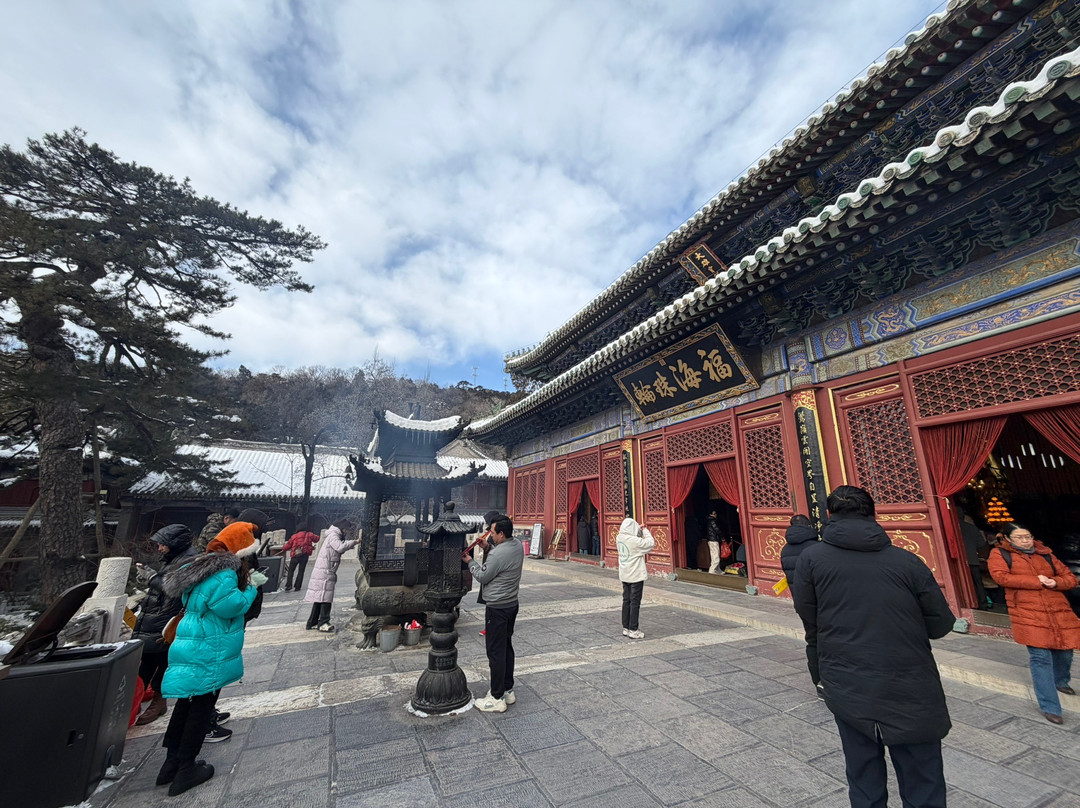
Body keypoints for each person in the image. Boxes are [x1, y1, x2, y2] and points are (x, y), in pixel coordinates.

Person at [793, 485, 955, 808]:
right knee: (924, 783)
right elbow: (941, 624)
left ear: (830, 515)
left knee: (864, 780)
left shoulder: (811, 560)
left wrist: (819, 671)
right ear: (873, 513)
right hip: (911, 687)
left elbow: (810, 618)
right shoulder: (907, 561)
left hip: (847, 684)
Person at [157, 519, 264, 796]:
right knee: (201, 706)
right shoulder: (224, 573)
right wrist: (251, 587)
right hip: (208, 643)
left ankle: (170, 763)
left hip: (191, 638)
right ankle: (186, 768)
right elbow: (231, 606)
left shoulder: (201, 567)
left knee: (186, 702)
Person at [988, 523, 1080, 724]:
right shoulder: (1000, 553)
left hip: (1057, 609)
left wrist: (1056, 582)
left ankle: (1060, 680)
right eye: (1019, 537)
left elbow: (1070, 578)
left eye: (1028, 536)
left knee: (1065, 650)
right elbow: (1001, 577)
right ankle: (1050, 707)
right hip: (1027, 611)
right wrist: (1036, 581)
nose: (1025, 541)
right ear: (1008, 538)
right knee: (1040, 657)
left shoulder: (1045, 553)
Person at [132, 524, 198, 725]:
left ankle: (159, 701)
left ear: (174, 543)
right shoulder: (173, 558)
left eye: (162, 544)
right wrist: (149, 577)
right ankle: (134, 701)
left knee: (162, 660)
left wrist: (152, 578)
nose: (160, 548)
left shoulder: (188, 559)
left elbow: (174, 587)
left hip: (167, 618)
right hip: (157, 615)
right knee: (147, 661)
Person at [466, 513, 524, 712]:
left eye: (492, 532)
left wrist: (470, 561)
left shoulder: (498, 554)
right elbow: (502, 560)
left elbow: (483, 576)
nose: (489, 534)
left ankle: (496, 697)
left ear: (501, 534)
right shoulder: (517, 545)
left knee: (495, 652)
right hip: (511, 604)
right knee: (506, 647)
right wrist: (488, 548)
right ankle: (507, 689)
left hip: (497, 607)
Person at [780, 514, 821, 696]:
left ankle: (818, 682)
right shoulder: (816, 548)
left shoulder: (785, 550)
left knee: (812, 639)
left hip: (801, 601)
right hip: (821, 600)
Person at [303, 518, 358, 632]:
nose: (347, 532)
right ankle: (323, 622)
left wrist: (349, 545)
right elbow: (340, 547)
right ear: (342, 528)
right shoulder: (333, 535)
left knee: (320, 598)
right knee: (325, 598)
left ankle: (312, 622)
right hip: (325, 570)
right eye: (347, 529)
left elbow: (337, 549)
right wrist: (355, 542)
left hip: (325, 569)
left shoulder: (333, 535)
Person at [616, 517, 655, 640]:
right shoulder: (634, 542)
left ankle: (626, 627)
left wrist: (638, 529)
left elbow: (633, 535)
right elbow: (650, 543)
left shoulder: (619, 538)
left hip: (624, 574)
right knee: (635, 602)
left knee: (626, 600)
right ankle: (633, 629)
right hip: (636, 575)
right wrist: (644, 530)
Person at [958, 507, 989, 609]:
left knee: (960, 582)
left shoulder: (948, 527)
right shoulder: (972, 528)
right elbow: (981, 544)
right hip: (972, 559)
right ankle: (982, 604)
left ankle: (963, 604)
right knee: (977, 583)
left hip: (956, 560)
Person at [281, 520, 319, 592]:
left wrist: (283, 549)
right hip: (304, 555)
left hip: (295, 555)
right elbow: (317, 539)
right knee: (301, 571)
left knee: (291, 570)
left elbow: (288, 545)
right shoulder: (309, 534)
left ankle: (288, 585)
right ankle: (297, 587)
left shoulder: (294, 536)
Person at [705, 507, 725, 574]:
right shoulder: (713, 521)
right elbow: (717, 529)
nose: (715, 515)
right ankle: (712, 569)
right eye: (714, 513)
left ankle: (717, 569)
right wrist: (722, 536)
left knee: (714, 555)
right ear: (711, 514)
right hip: (714, 539)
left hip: (711, 539)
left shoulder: (708, 521)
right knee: (716, 555)